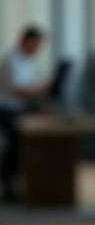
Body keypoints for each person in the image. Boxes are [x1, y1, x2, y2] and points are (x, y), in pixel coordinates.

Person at [0, 25, 52, 202]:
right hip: (5, 109)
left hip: (20, 108)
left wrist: (41, 100)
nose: (37, 49)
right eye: (36, 45)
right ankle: (8, 185)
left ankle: (28, 184)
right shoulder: (10, 60)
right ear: (26, 41)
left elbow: (30, 90)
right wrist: (42, 90)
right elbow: (18, 90)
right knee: (17, 141)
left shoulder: (29, 62)